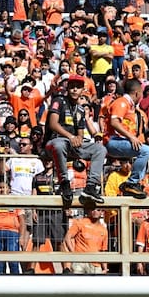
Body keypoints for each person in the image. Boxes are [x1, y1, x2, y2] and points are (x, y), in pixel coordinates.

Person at [45, 75, 106, 205]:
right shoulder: (59, 101)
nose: (74, 90)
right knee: (59, 145)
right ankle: (64, 183)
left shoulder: (80, 109)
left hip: (71, 145)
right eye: (72, 87)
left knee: (100, 149)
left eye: (77, 87)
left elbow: (80, 132)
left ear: (82, 90)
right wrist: (71, 137)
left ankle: (90, 186)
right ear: (67, 88)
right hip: (54, 141)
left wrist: (78, 138)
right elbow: (53, 124)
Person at [105, 78, 149, 199]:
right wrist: (131, 137)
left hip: (120, 141)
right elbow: (114, 122)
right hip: (113, 141)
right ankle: (132, 182)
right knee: (146, 151)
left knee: (145, 151)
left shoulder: (130, 105)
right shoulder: (122, 103)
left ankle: (134, 184)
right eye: (141, 93)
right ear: (137, 93)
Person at [63, 207, 109, 274]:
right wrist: (73, 254)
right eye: (93, 209)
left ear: (102, 212)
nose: (95, 211)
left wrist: (105, 268)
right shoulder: (81, 222)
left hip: (95, 264)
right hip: (80, 262)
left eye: (98, 210)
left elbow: (103, 250)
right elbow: (67, 237)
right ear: (90, 211)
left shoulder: (103, 230)